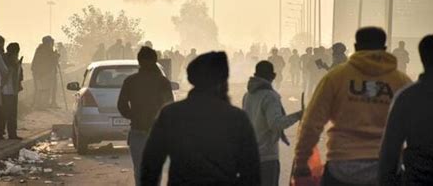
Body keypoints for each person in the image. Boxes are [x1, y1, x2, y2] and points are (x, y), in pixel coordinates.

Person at [291, 27, 412, 186]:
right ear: (384, 49)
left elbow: (312, 123)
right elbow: (418, 128)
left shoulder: (336, 77)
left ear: (356, 47)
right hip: (386, 168)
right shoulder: (401, 81)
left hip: (341, 167)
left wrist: (301, 161)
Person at [141, 52, 261, 186]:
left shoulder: (171, 114)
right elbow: (251, 172)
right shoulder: (236, 118)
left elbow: (151, 165)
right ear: (222, 82)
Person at [379, 35, 433, 185]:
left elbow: (390, 150)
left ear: (423, 58)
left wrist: (389, 181)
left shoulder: (406, 96)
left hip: (415, 179)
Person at [117, 46, 173, 186]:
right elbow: (169, 107)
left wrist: (134, 116)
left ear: (139, 61)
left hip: (137, 131)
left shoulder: (131, 81)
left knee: (140, 171)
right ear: (155, 61)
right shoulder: (162, 81)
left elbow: (121, 106)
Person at [242, 61, 302, 186]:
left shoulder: (248, 95)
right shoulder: (269, 96)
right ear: (273, 76)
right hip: (267, 156)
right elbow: (276, 124)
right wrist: (299, 115)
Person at [0, 43, 23, 140]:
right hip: (6, 90)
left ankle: (6, 133)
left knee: (6, 113)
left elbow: (19, 75)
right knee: (7, 113)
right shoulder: (7, 60)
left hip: (11, 90)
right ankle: (6, 133)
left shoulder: (9, 59)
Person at [31, 36, 60, 109]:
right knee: (42, 89)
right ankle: (40, 105)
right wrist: (55, 56)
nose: (52, 44)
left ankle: (45, 104)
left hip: (45, 72)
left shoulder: (44, 49)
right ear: (48, 43)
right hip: (42, 73)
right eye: (51, 42)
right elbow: (47, 61)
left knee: (46, 88)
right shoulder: (43, 50)